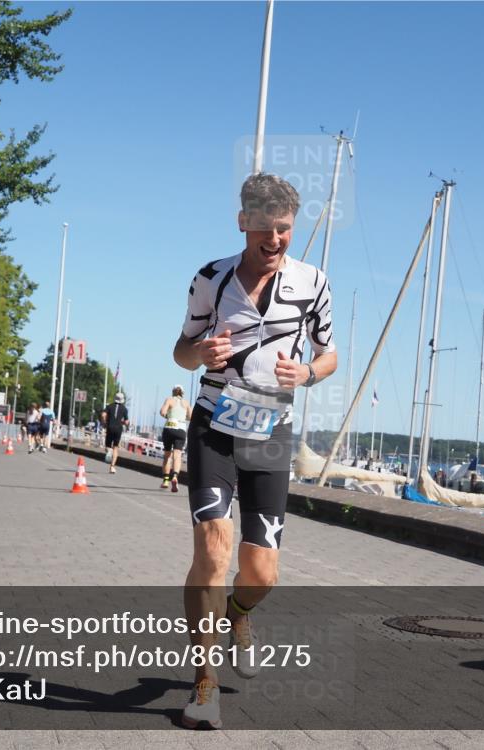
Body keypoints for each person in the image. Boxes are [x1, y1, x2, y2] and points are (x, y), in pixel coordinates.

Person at [173, 173, 337, 729]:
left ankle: (239, 616)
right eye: (265, 228)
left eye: (285, 229)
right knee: (214, 553)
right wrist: (202, 351)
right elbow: (180, 352)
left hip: (270, 432)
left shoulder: (313, 283)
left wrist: (309, 372)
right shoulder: (211, 280)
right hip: (214, 426)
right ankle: (203, 686)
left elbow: (330, 355)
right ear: (243, 222)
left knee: (261, 572)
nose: (275, 239)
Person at [159, 385, 192, 492]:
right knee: (177, 455)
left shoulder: (169, 400)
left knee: (167, 455)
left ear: (173, 391)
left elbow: (162, 412)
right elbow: (191, 417)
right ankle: (175, 476)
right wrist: (183, 417)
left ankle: (165, 480)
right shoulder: (186, 403)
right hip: (181, 429)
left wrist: (168, 416)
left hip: (169, 427)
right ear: (182, 393)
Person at [100, 392, 129, 474]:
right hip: (118, 429)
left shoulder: (109, 406)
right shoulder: (124, 409)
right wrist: (123, 423)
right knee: (116, 447)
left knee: (107, 447)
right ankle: (112, 467)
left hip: (110, 428)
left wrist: (104, 422)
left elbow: (103, 415)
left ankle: (109, 451)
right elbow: (126, 422)